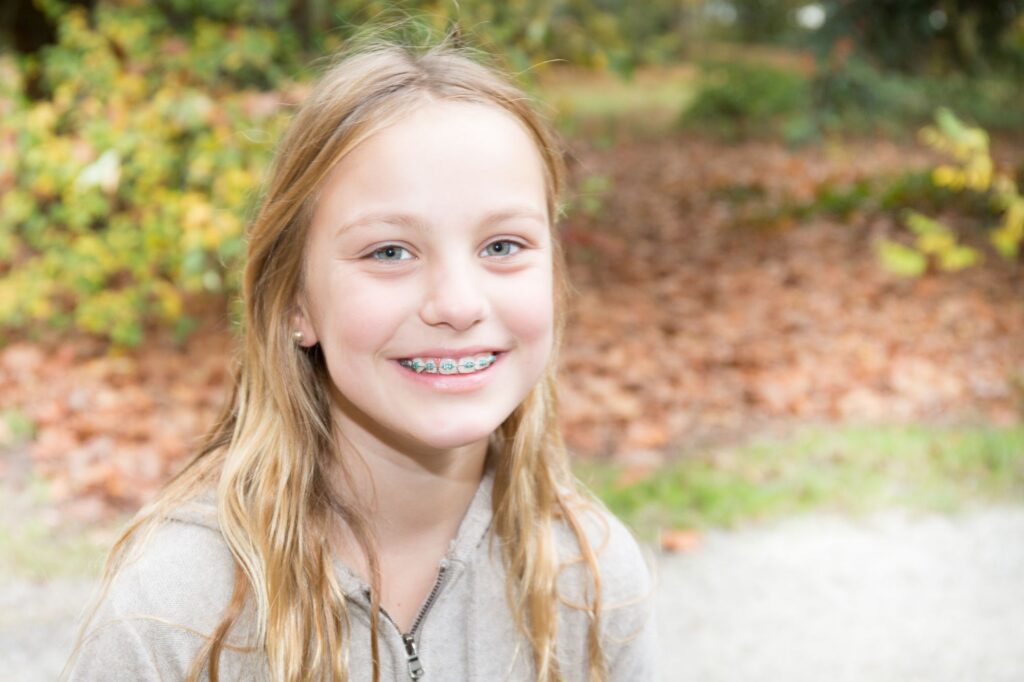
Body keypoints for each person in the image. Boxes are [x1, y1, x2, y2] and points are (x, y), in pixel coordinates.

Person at [63, 32, 656, 682]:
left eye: (503, 245)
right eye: (390, 252)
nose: (457, 304)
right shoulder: (177, 615)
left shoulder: (589, 577)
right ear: (296, 301)